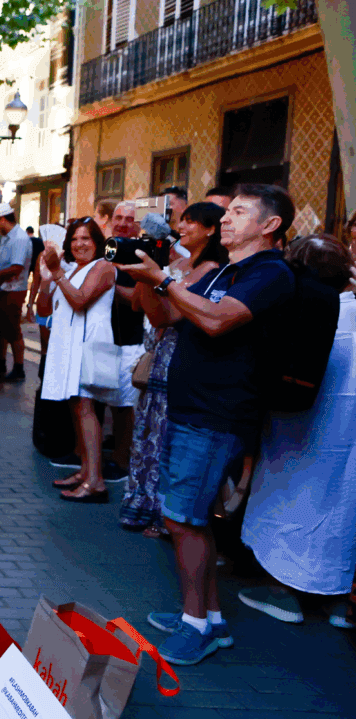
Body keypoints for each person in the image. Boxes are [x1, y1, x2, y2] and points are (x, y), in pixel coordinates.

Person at [117, 184, 297, 666]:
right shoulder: (224, 271)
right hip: (188, 409)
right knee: (192, 517)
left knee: (182, 519)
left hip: (217, 415)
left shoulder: (270, 273)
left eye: (239, 212)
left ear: (270, 225)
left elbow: (217, 321)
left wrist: (162, 278)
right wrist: (146, 276)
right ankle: (209, 618)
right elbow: (166, 315)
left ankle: (195, 625)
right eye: (228, 211)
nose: (227, 219)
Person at [238, 235, 354, 627]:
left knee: (290, 501)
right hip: (347, 444)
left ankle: (282, 591)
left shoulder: (303, 308)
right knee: (342, 509)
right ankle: (338, 600)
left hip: (297, 433)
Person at [120, 203, 226, 535]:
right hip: (158, 351)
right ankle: (141, 504)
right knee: (148, 430)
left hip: (179, 353)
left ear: (211, 229)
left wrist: (156, 277)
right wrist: (147, 271)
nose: (183, 226)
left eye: (191, 221)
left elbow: (168, 315)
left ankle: (162, 514)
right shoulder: (176, 263)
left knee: (165, 434)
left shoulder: (211, 269)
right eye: (182, 220)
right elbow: (139, 305)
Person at [39, 219, 116, 502]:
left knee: (86, 407)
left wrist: (57, 273)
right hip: (70, 343)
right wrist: (45, 278)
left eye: (85, 238)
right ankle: (85, 471)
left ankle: (96, 481)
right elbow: (44, 309)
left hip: (90, 343)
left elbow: (80, 300)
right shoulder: (72, 269)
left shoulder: (103, 267)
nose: (79, 244)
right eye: (74, 239)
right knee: (76, 406)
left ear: (97, 242)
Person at [105, 200, 144, 484]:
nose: (121, 223)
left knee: (126, 404)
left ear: (138, 225)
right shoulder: (108, 249)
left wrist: (107, 284)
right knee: (113, 401)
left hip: (132, 339)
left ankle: (123, 461)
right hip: (106, 338)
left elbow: (137, 300)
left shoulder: (143, 255)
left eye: (129, 219)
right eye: (118, 217)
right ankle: (116, 450)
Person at [0, 203, 31, 382]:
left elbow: (16, 267)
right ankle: (1, 362)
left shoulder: (19, 238)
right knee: (0, 328)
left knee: (13, 330)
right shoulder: (8, 237)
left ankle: (19, 368)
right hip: (3, 288)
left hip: (13, 289)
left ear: (2, 219)